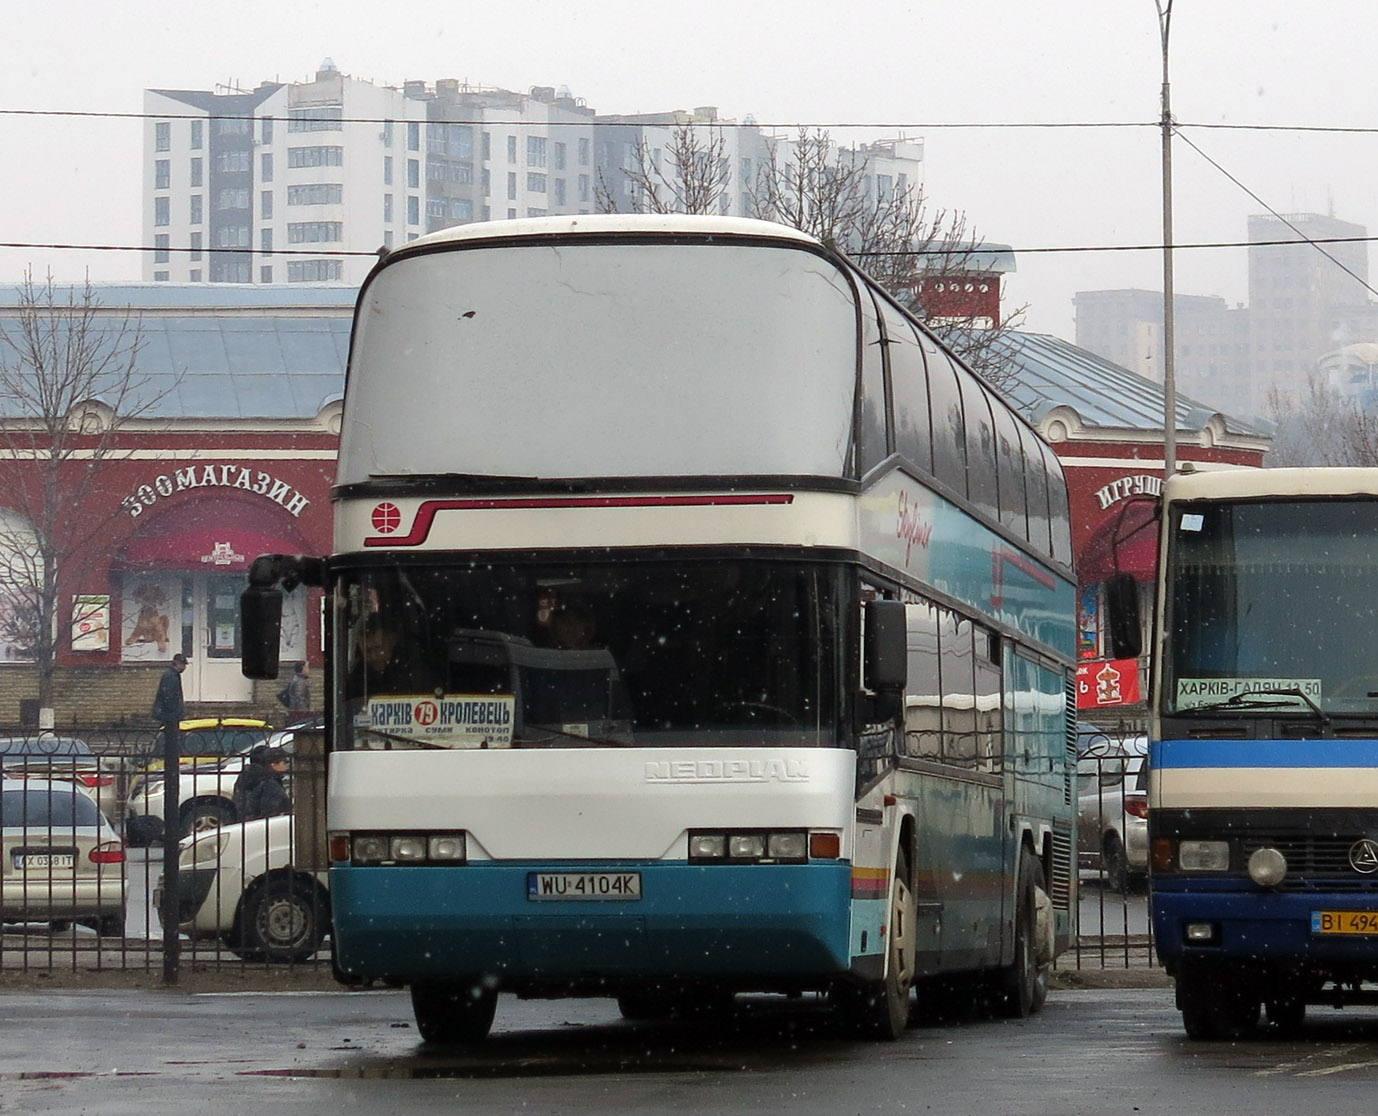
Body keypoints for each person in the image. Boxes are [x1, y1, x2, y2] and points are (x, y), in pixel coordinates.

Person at [233, 745, 292, 821]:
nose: (286, 766)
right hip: (267, 827)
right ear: (273, 764)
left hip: (246, 824)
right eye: (284, 762)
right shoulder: (270, 783)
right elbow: (271, 812)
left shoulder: (247, 778)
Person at [151, 653, 188, 747]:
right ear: (177, 664)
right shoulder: (171, 676)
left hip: (168, 714)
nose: (184, 667)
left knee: (169, 738)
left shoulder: (172, 675)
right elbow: (168, 696)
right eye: (183, 665)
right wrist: (174, 713)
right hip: (169, 715)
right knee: (170, 740)